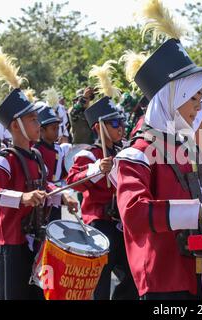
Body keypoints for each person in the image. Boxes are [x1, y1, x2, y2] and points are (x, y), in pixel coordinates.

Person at [111, 0, 202, 300]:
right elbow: (135, 215)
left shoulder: (189, 148)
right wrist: (200, 211)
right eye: (193, 99)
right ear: (169, 100)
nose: (198, 108)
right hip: (168, 285)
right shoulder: (136, 155)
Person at [0, 50, 76, 300]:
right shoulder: (2, 161)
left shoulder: (38, 157)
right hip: (14, 246)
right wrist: (22, 197)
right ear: (16, 125)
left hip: (40, 243)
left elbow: (44, 186)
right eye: (32, 120)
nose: (38, 126)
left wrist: (61, 196)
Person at [66, 61, 138, 300]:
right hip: (99, 225)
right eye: (115, 123)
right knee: (99, 285)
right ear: (99, 127)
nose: (121, 127)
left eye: (122, 122)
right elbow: (74, 180)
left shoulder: (125, 151)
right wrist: (96, 169)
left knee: (134, 277)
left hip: (122, 225)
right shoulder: (89, 154)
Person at [33, 106, 71, 221]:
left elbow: (63, 172)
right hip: (42, 195)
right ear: (42, 131)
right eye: (53, 128)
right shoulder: (36, 150)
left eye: (57, 128)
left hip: (57, 194)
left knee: (55, 224)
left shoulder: (59, 149)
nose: (57, 131)